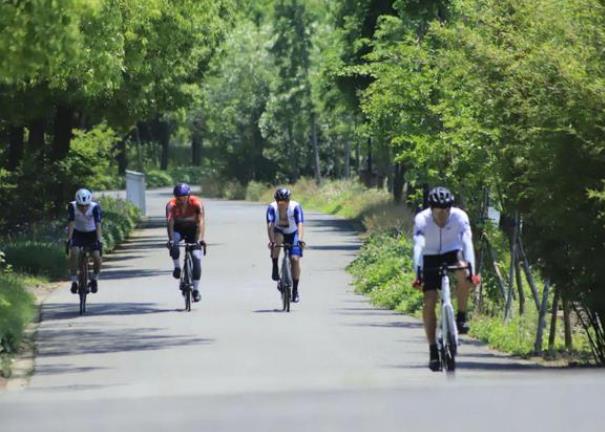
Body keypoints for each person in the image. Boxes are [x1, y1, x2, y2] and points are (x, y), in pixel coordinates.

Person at [412, 186, 481, 371]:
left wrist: (472, 271)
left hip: (452, 250)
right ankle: (433, 349)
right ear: (431, 209)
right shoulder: (422, 220)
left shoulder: (460, 217)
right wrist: (417, 273)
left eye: (446, 210)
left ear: (451, 208)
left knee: (463, 273)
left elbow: (467, 242)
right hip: (430, 254)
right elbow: (418, 246)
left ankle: (461, 315)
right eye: (438, 211)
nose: (442, 215)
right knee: (429, 301)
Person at [166, 183, 206, 302]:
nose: (181, 200)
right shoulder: (171, 205)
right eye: (178, 198)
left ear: (188, 196)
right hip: (178, 229)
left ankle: (196, 290)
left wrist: (201, 239)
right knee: (175, 245)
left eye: (183, 198)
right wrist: (171, 240)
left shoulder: (197, 204)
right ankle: (177, 267)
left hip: (193, 230)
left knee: (196, 259)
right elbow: (170, 223)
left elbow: (201, 222)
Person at [266, 188, 305, 302]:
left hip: (293, 234)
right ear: (276, 201)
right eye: (280, 202)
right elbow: (270, 225)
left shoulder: (295, 207)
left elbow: (300, 224)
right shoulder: (272, 208)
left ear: (289, 201)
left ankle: (295, 290)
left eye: (285, 201)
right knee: (278, 239)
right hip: (278, 232)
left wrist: (300, 240)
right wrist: (271, 241)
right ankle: (275, 265)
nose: (282, 204)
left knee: (295, 259)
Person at [66, 188, 103, 294]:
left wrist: (99, 240)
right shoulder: (72, 206)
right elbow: (71, 223)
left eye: (86, 205)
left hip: (92, 233)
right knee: (74, 253)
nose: (83, 208)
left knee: (96, 257)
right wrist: (69, 239)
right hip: (78, 233)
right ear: (76, 203)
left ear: (89, 203)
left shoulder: (95, 207)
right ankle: (74, 281)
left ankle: (94, 279)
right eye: (80, 205)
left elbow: (98, 224)